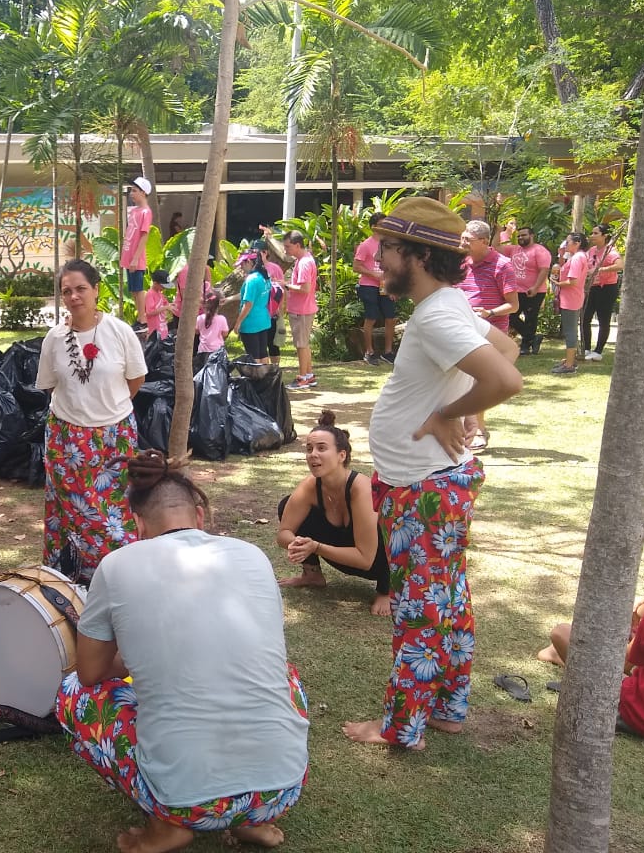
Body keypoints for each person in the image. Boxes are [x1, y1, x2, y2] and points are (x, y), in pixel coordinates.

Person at [56, 451, 309, 853]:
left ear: (138, 524)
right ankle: (255, 820)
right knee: (284, 674)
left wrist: (138, 660)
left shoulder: (116, 565)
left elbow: (90, 672)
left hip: (183, 801)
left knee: (74, 692)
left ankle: (166, 827)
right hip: (284, 788)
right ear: (200, 516)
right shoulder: (253, 555)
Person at [342, 197, 522, 750]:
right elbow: (508, 347)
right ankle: (447, 707)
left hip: (424, 488)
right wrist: (460, 403)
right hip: (434, 481)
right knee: (447, 598)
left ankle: (401, 728)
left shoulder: (440, 313)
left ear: (418, 256)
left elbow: (506, 378)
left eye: (388, 248)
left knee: (419, 608)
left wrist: (448, 412)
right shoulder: (448, 303)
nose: (378, 258)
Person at [36, 259, 147, 582]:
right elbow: (50, 386)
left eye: (81, 288)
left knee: (115, 511)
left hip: (115, 436)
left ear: (96, 289)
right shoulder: (54, 339)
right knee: (71, 511)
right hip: (66, 439)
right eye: (66, 291)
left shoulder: (119, 331)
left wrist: (106, 410)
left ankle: (118, 574)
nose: (74, 296)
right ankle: (71, 578)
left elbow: (135, 379)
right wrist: (80, 412)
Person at [538, 544, 644, 745]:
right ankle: (562, 656)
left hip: (639, 718)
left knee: (561, 632)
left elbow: (623, 665)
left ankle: (562, 656)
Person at [276, 412, 391, 616]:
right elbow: (284, 533)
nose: (313, 454)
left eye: (321, 448)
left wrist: (316, 547)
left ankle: (387, 590)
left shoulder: (361, 489)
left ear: (341, 455)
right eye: (309, 449)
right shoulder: (310, 486)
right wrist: (299, 544)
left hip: (376, 562)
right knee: (286, 504)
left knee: (389, 529)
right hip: (345, 554)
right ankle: (312, 575)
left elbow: (365, 559)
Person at [457, 220, 518, 452]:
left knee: (479, 381)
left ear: (484, 241)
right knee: (462, 381)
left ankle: (479, 430)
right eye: (462, 237)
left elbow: (513, 305)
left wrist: (489, 313)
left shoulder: (502, 266)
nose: (463, 243)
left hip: (490, 333)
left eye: (468, 240)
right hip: (463, 330)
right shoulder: (461, 263)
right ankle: (465, 429)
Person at [353, 214, 397, 365]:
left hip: (386, 285)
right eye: (382, 224)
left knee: (390, 317)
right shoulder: (366, 245)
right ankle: (369, 352)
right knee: (371, 317)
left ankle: (388, 352)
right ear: (373, 227)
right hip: (368, 285)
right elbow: (356, 266)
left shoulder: (389, 244)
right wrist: (374, 274)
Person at [501, 225, 552, 356]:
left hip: (534, 291)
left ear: (531, 236)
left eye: (523, 235)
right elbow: (495, 248)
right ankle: (532, 338)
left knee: (530, 318)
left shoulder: (540, 250)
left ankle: (525, 346)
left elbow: (544, 270)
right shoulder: (514, 249)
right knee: (510, 316)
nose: (520, 237)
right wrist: (497, 232)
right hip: (516, 290)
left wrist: (535, 287)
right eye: (518, 235)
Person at [581, 222, 624, 361]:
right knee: (585, 318)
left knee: (603, 320)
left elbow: (620, 266)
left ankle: (598, 351)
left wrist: (600, 269)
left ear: (605, 236)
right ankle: (586, 348)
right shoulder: (591, 250)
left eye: (596, 233)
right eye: (592, 233)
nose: (592, 236)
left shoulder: (610, 251)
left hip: (606, 288)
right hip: (592, 288)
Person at [282, 231, 318, 390]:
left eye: (288, 246)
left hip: (301, 310)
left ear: (297, 245)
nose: (285, 250)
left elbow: (305, 289)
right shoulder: (304, 260)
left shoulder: (304, 263)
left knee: (301, 345)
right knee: (304, 344)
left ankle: (302, 378)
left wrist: (285, 285)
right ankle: (309, 376)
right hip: (303, 308)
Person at [550, 232, 588, 375]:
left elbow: (573, 281)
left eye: (568, 242)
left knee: (570, 331)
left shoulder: (578, 258)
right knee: (571, 330)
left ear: (577, 243)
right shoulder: (577, 256)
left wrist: (557, 283)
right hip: (572, 297)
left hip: (571, 298)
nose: (565, 244)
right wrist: (561, 254)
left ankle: (569, 365)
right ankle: (570, 360)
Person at [121, 177, 154, 329]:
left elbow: (144, 236)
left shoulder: (146, 212)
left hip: (136, 257)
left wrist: (135, 258)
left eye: (134, 191)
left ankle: (143, 319)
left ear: (143, 192)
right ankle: (139, 317)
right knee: (133, 289)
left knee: (139, 289)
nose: (131, 194)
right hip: (128, 254)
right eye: (131, 191)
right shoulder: (134, 211)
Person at [232, 251, 274, 364]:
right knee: (263, 353)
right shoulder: (264, 276)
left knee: (253, 356)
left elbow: (248, 304)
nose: (241, 267)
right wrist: (228, 299)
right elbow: (248, 295)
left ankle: (255, 375)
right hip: (263, 320)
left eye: (242, 264)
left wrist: (238, 322)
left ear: (249, 262)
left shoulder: (251, 279)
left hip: (251, 322)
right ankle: (265, 374)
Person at [144, 269, 172, 342]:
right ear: (155, 283)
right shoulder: (150, 294)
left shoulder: (160, 293)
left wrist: (170, 306)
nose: (164, 288)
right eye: (162, 286)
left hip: (162, 328)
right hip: (155, 331)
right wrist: (165, 307)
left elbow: (165, 303)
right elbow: (149, 312)